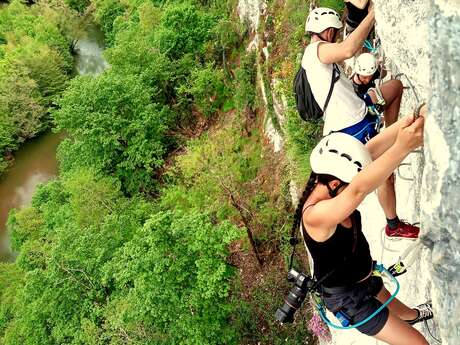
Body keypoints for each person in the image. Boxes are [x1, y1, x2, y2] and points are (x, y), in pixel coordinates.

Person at [293, 108, 433, 344]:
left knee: (396, 306)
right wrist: (404, 147)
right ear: (336, 183)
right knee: (418, 343)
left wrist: (411, 119)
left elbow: (370, 151)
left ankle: (414, 315)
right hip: (350, 301)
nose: (356, 181)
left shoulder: (333, 175)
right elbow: (359, 188)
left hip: (363, 276)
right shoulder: (314, 216)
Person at [303, 7, 416, 238]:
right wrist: (374, 14)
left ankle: (390, 133)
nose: (334, 36)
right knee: (382, 173)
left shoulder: (317, 55)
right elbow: (348, 49)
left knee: (393, 88)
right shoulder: (315, 50)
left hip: (360, 110)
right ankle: (393, 225)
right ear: (327, 31)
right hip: (349, 128)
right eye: (333, 32)